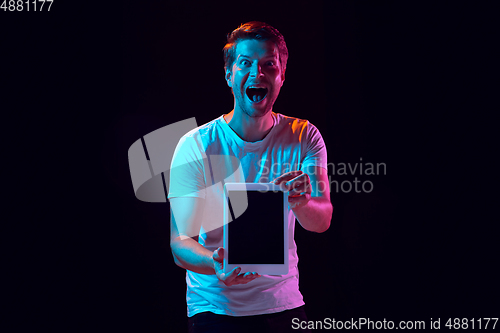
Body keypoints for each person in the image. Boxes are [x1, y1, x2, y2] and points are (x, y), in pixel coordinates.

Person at [168, 21, 332, 333]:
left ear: (281, 76)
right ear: (229, 75)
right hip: (213, 310)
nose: (257, 74)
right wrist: (215, 264)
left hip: (283, 307)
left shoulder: (305, 136)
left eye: (269, 64)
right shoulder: (196, 144)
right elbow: (180, 243)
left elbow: (321, 220)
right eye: (245, 63)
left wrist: (301, 203)